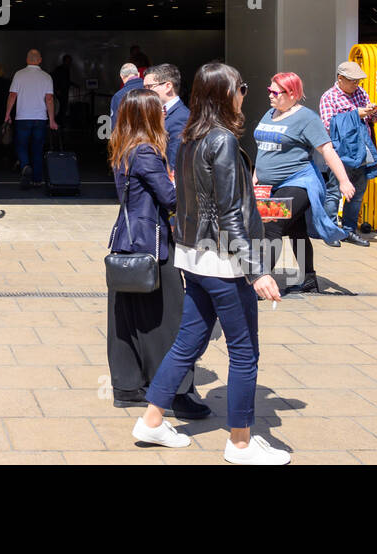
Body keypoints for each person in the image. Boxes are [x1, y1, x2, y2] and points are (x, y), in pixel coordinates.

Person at [133, 63, 289, 465]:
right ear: (225, 94)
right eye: (242, 87)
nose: (245, 94)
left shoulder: (189, 137)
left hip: (196, 257)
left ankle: (152, 421)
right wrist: (258, 271)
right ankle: (239, 443)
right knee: (244, 352)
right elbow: (230, 213)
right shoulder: (220, 140)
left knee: (188, 341)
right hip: (224, 262)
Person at [106, 89, 199, 415]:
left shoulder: (124, 147)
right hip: (152, 244)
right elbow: (171, 199)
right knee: (169, 318)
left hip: (127, 241)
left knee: (127, 318)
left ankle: (128, 386)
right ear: (147, 115)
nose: (164, 113)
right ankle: (174, 391)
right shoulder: (145, 152)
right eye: (158, 108)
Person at [254, 72, 356, 294]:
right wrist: (256, 177)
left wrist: (343, 180)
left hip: (298, 182)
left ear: (292, 94)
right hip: (271, 185)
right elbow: (264, 149)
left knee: (272, 225)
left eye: (275, 92)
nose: (270, 96)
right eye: (269, 90)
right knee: (296, 229)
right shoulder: (270, 113)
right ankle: (309, 279)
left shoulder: (307, 119)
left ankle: (259, 281)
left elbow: (327, 149)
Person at [317, 61, 377, 246]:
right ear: (340, 78)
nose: (356, 85)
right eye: (353, 81)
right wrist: (356, 114)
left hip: (362, 149)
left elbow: (371, 120)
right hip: (340, 152)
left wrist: (371, 112)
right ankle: (330, 230)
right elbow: (329, 124)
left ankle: (349, 230)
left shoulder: (361, 93)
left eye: (358, 81)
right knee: (335, 191)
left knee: (358, 192)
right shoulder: (329, 97)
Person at [4, 49, 57, 188]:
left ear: (27, 60)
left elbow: (12, 96)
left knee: (21, 146)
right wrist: (51, 120)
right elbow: (49, 99)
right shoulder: (46, 77)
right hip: (40, 118)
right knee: (38, 148)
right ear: (40, 60)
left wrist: (7, 114)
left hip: (22, 118)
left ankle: (25, 166)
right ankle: (37, 179)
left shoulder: (19, 75)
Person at [52, 54, 73, 123]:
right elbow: (55, 79)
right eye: (68, 61)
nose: (69, 62)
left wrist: (74, 84)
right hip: (60, 92)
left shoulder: (67, 69)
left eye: (70, 61)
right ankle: (58, 122)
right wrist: (56, 89)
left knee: (63, 107)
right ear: (64, 61)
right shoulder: (59, 69)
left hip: (64, 91)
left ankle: (60, 122)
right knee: (61, 108)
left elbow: (67, 81)